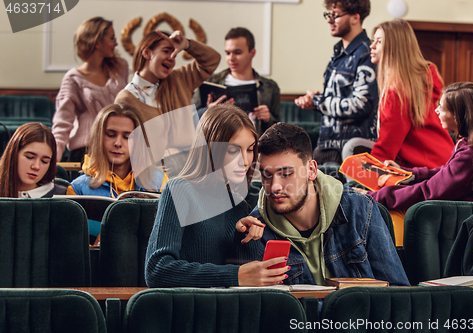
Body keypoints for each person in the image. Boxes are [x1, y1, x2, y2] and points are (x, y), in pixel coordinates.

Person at [241, 122, 409, 286]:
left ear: (312, 170)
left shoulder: (360, 209)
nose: (275, 186)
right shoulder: (255, 231)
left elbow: (398, 294)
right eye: (266, 175)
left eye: (286, 174)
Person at [145, 105, 289, 288]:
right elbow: (157, 270)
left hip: (227, 311)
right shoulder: (179, 190)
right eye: (233, 150)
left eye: (250, 149)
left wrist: (244, 238)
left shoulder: (240, 205)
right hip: (188, 309)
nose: (245, 161)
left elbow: (247, 283)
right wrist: (235, 275)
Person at [367, 82, 473, 245]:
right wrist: (408, 173)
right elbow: (447, 173)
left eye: (442, 108)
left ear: (459, 116)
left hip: (467, 229)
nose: (436, 111)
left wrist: (372, 197)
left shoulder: (472, 153)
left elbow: (428, 191)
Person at [115, 30, 220, 178]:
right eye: (166, 51)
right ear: (147, 53)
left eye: (175, 55)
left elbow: (212, 60)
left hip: (190, 169)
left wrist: (187, 44)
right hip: (152, 176)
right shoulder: (125, 99)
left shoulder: (179, 79)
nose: (172, 58)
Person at [356, 19, 453, 169]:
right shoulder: (411, 83)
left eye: (379, 42)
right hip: (443, 160)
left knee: (354, 160)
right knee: (354, 147)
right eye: (373, 40)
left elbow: (386, 148)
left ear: (395, 47)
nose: (372, 46)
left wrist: (364, 176)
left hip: (427, 169)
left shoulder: (398, 92)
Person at [295, 0, 378, 166]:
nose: (329, 20)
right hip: (327, 145)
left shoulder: (367, 53)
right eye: (328, 15)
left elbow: (362, 104)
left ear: (355, 17)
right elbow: (339, 98)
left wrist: (318, 101)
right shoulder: (338, 53)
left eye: (335, 16)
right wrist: (316, 101)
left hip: (350, 150)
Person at [52, 17, 128, 163]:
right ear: (97, 42)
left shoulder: (121, 69)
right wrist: (52, 160)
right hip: (85, 150)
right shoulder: (73, 78)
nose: (116, 43)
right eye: (111, 38)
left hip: (117, 147)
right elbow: (62, 123)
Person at [192, 27, 281, 136]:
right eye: (228, 53)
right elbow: (190, 120)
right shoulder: (211, 82)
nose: (231, 58)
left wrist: (268, 119)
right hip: (220, 147)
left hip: (258, 147)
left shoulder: (269, 87)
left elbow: (280, 131)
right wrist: (209, 111)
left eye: (237, 53)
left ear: (252, 53)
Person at [67, 103, 156, 197]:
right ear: (98, 138)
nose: (118, 143)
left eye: (127, 137)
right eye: (111, 135)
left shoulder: (158, 183)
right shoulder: (77, 189)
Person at [0, 122, 66, 198]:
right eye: (29, 157)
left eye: (44, 161)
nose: (36, 166)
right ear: (13, 155)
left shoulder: (62, 197)